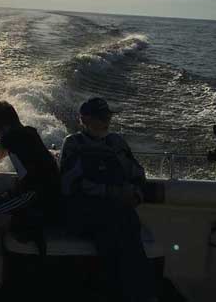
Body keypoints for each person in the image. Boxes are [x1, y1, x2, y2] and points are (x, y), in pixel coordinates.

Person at [59, 97, 155, 302]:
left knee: (128, 225)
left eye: (108, 116)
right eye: (101, 117)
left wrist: (135, 194)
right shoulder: (74, 144)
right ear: (84, 119)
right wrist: (110, 192)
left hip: (117, 210)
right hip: (84, 212)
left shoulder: (116, 143)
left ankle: (137, 293)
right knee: (117, 227)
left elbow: (137, 173)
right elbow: (70, 184)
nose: (107, 121)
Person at [0, 101, 61, 247]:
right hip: (40, 193)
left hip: (37, 196)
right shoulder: (29, 132)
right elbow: (2, 147)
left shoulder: (15, 137)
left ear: (5, 127)